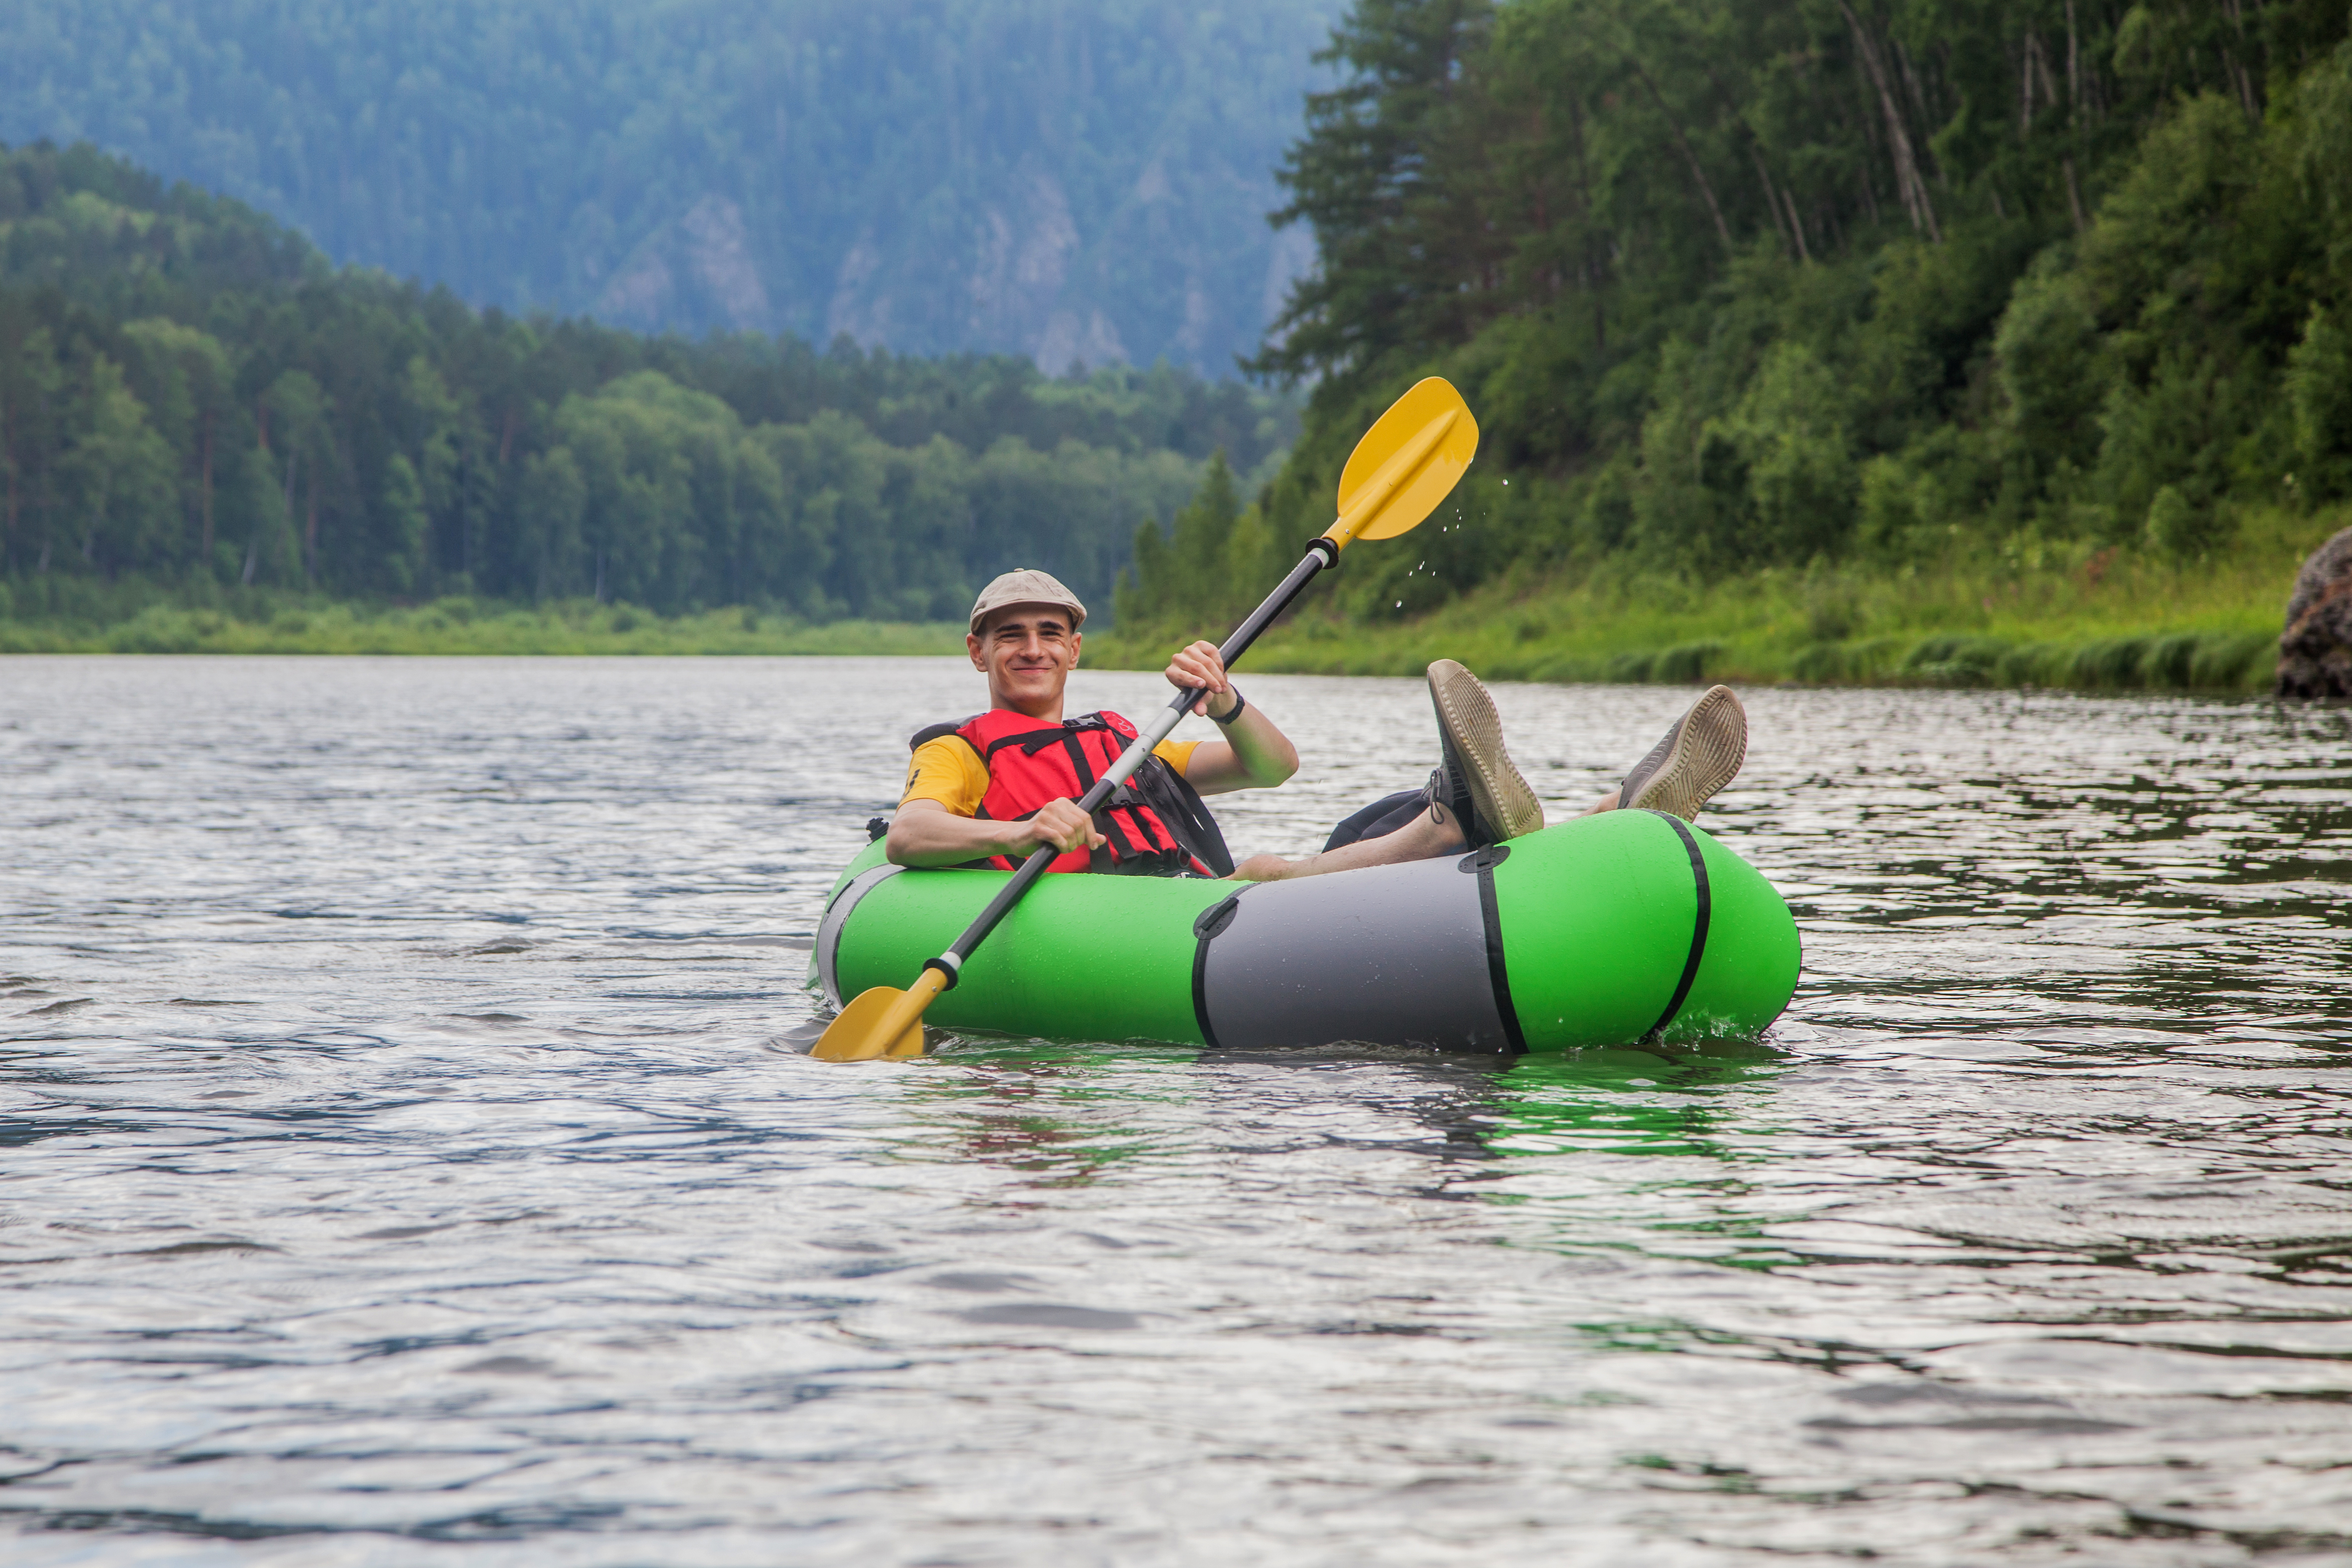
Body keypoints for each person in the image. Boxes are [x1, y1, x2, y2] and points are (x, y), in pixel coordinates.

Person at [886, 568, 1748, 882]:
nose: (1030, 650)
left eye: (1048, 635)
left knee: (1379, 817)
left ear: (1074, 650)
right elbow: (910, 834)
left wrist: (1226, 701)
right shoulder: (962, 750)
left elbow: (1271, 767)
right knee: (1267, 868)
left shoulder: (1126, 738)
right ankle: (1519, 818)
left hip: (1198, 901)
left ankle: (1612, 820)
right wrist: (1023, 823)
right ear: (978, 653)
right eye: (1011, 637)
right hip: (1160, 915)